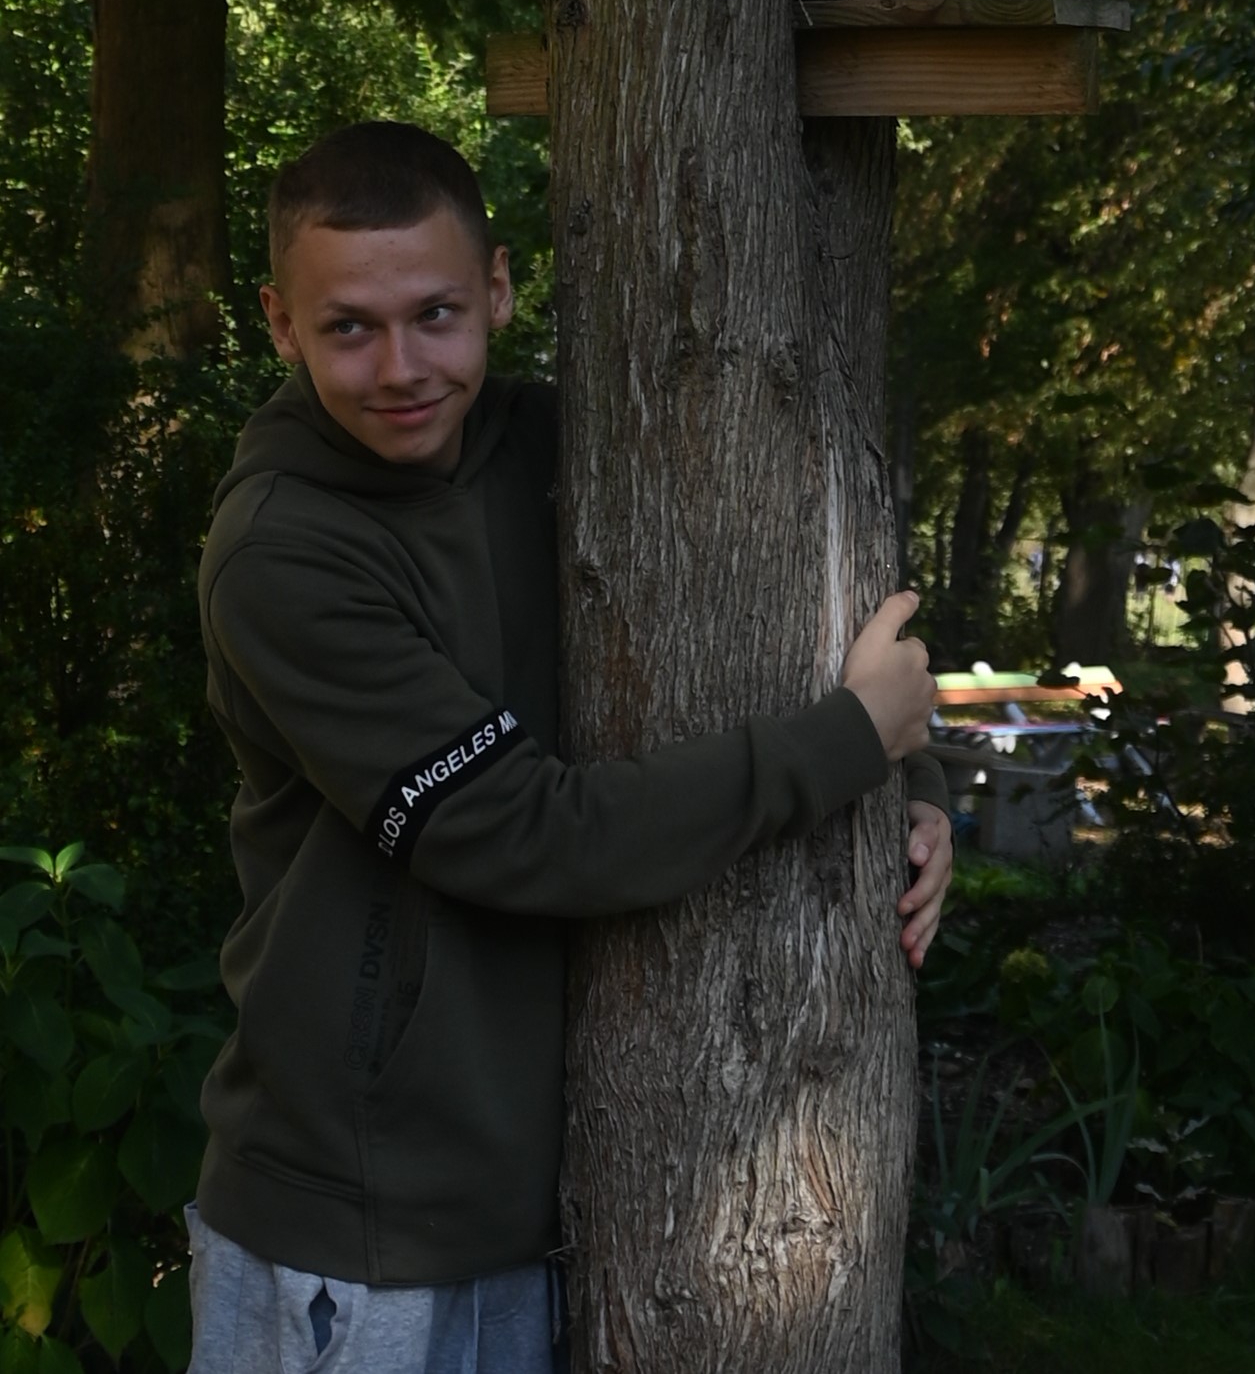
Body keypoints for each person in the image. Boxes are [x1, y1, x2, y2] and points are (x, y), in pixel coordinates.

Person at [187, 121, 951, 1374]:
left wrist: (907, 778)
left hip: (531, 1220)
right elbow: (525, 832)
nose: (399, 367)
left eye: (434, 313)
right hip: (351, 1242)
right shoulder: (284, 554)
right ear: (279, 323)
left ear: (497, 286)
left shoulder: (557, 450)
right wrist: (847, 745)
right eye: (348, 328)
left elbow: (806, 623)